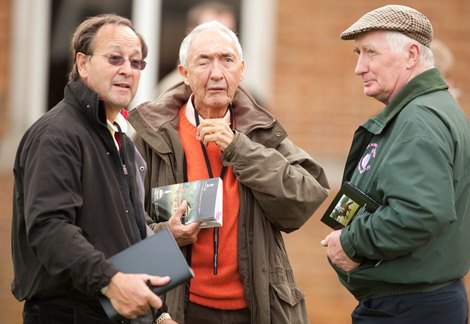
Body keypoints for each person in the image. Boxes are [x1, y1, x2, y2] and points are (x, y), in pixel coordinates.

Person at [129, 20, 330, 323]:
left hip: (256, 308)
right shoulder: (151, 134)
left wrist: (238, 148)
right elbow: (121, 220)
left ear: (242, 70)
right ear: (184, 73)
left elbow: (304, 196)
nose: (216, 73)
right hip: (177, 309)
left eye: (226, 60)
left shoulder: (259, 131)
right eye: (204, 61)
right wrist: (165, 233)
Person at [11, 14, 177, 323]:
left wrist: (159, 314)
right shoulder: (56, 134)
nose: (127, 70)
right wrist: (110, 282)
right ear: (83, 64)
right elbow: (50, 228)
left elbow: (127, 239)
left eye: (136, 62)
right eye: (114, 58)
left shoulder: (122, 141)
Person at [321, 5, 470, 323]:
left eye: (371, 52)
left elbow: (419, 213)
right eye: (358, 53)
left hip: (410, 306)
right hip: (415, 300)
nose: (359, 67)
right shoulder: (425, 109)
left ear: (411, 55)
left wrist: (350, 241)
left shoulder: (419, 118)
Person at [156, 1, 237, 97]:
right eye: (210, 33)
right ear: (191, 35)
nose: (219, 41)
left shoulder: (248, 96)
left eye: (227, 33)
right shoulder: (170, 92)